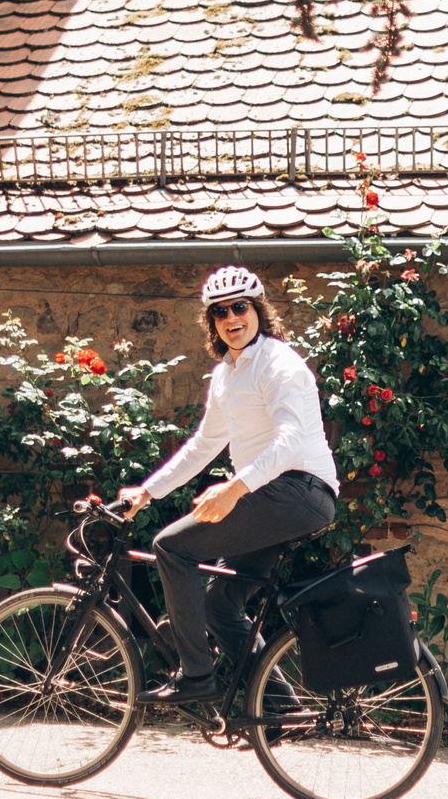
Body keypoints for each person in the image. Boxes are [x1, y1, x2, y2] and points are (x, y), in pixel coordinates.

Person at [116, 267, 339, 703]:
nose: (231, 317)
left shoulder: (279, 363)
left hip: (299, 492)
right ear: (212, 322)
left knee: (172, 546)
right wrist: (148, 492)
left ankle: (196, 676)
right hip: (272, 497)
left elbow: (291, 442)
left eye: (240, 307)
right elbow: (205, 444)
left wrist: (234, 488)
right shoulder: (226, 374)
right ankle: (275, 707)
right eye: (220, 312)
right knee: (220, 605)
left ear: (258, 310)